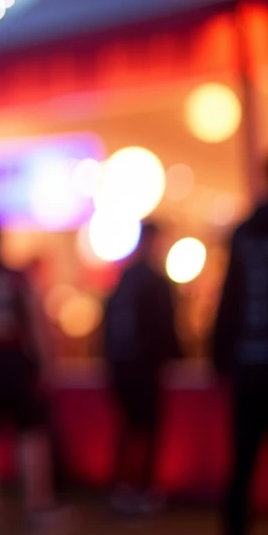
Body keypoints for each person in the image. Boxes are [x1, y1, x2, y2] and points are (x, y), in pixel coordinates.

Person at [0, 226, 72, 535]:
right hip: (15, 362)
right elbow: (37, 322)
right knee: (31, 435)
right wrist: (47, 365)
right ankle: (37, 507)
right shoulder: (17, 278)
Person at [211, 157, 268, 535]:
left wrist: (220, 361)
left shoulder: (245, 231)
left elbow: (228, 299)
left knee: (241, 474)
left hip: (249, 369)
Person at [103, 221, 181, 517]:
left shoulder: (122, 278)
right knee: (148, 429)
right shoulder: (155, 281)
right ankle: (144, 490)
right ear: (154, 241)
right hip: (145, 368)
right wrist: (175, 357)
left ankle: (122, 489)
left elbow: (107, 327)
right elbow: (164, 327)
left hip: (121, 367)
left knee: (127, 429)